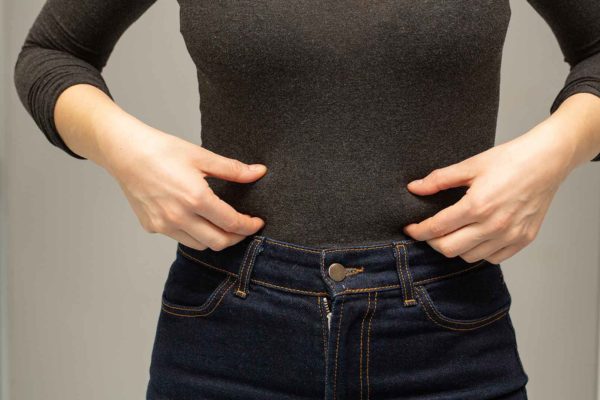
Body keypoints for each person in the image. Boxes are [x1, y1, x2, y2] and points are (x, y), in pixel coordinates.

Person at [13, 1, 600, 399]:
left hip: (448, 331)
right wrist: (126, 151)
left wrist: (555, 152)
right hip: (227, 333)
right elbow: (50, 53)